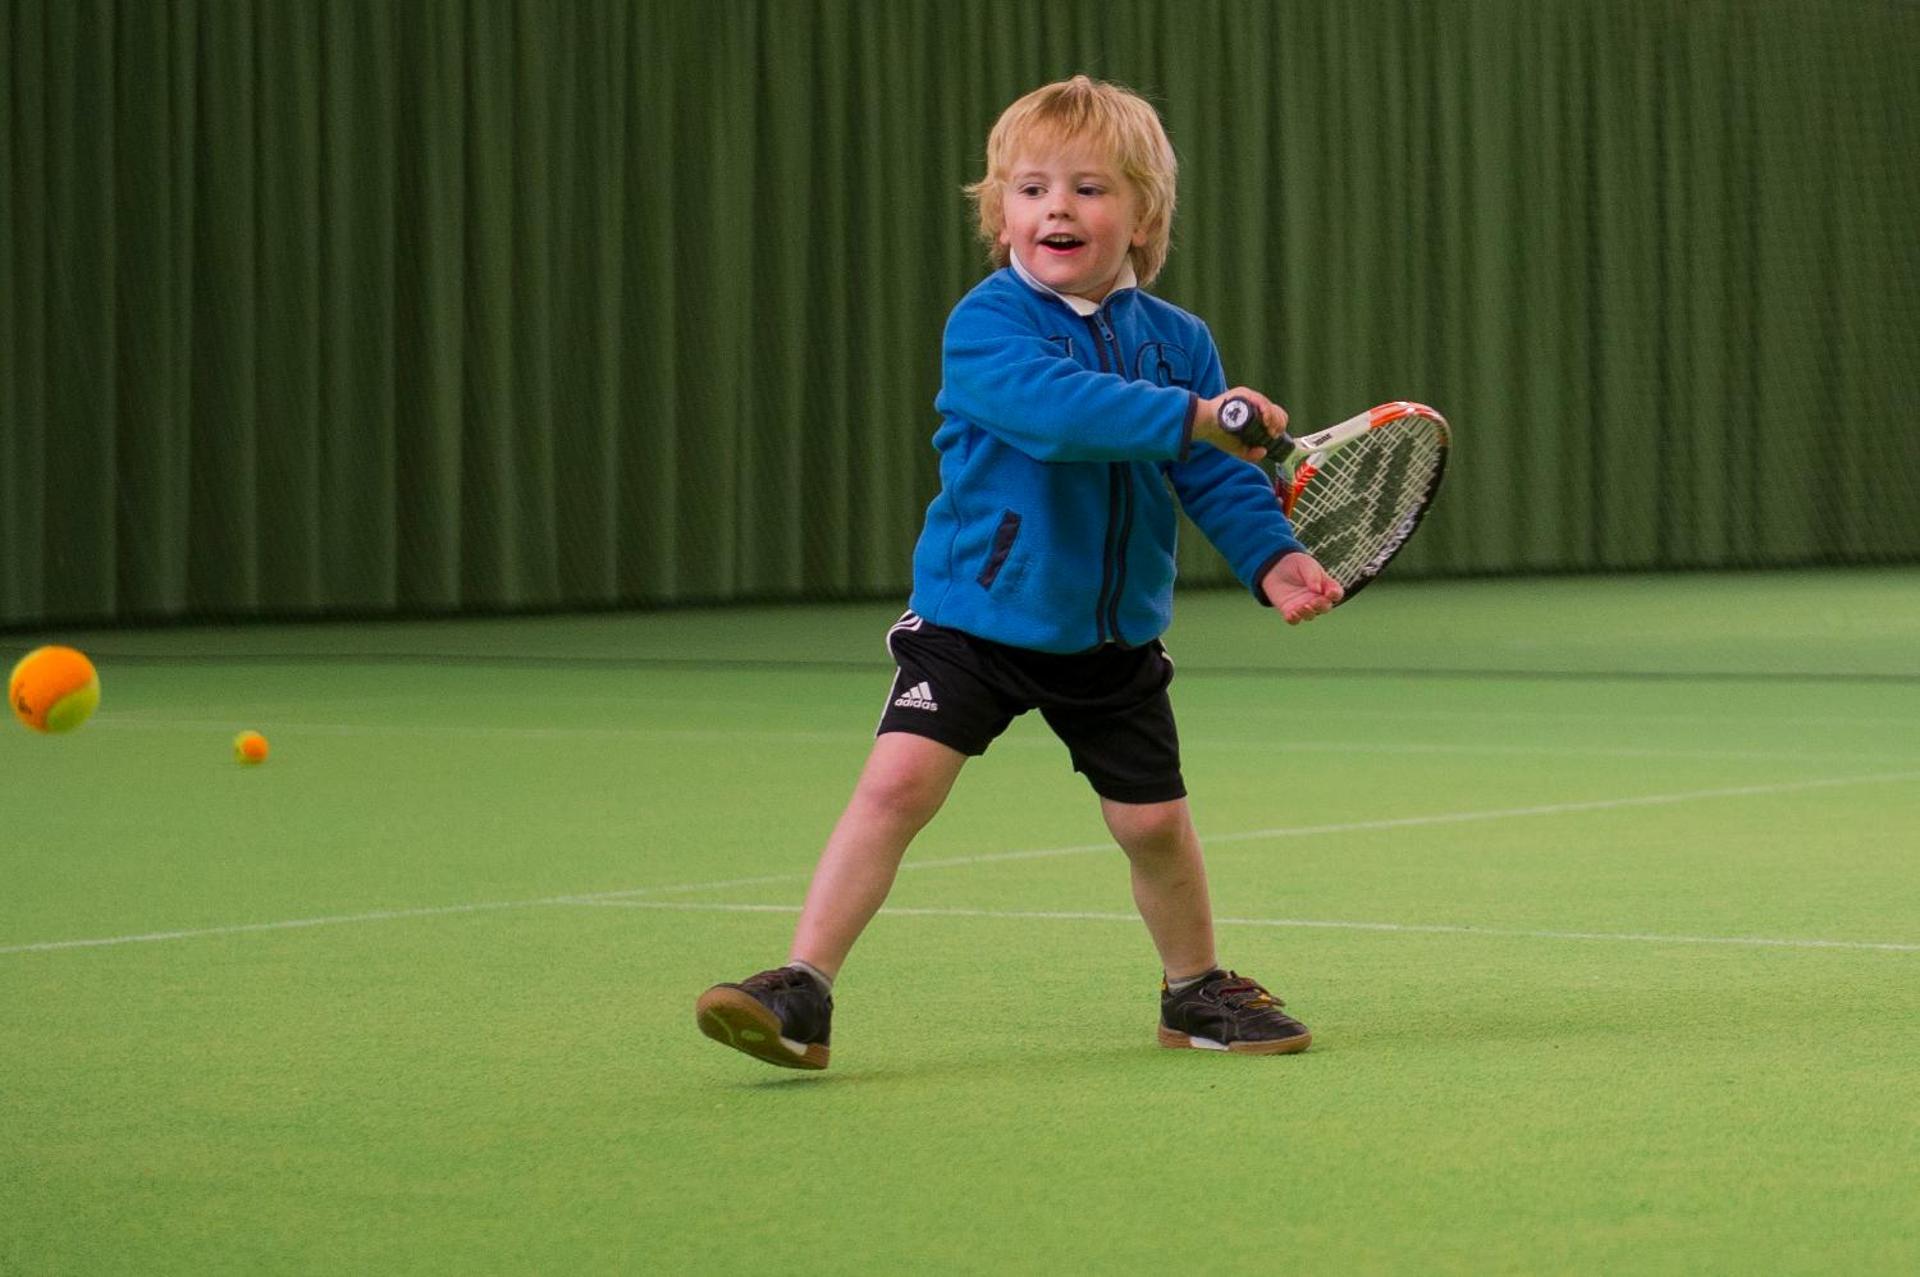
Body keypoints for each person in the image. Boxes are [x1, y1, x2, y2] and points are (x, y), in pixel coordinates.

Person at [695, 75, 1343, 1071]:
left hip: (1112, 635)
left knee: (1154, 822)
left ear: (1143, 215)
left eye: (1089, 188)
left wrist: (1274, 558)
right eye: (1033, 188)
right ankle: (802, 988)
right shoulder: (987, 325)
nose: (1058, 209)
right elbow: (1059, 412)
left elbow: (1211, 475)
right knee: (898, 783)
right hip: (976, 620)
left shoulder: (1180, 343)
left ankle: (1195, 988)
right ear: (1000, 213)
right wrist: (1198, 416)